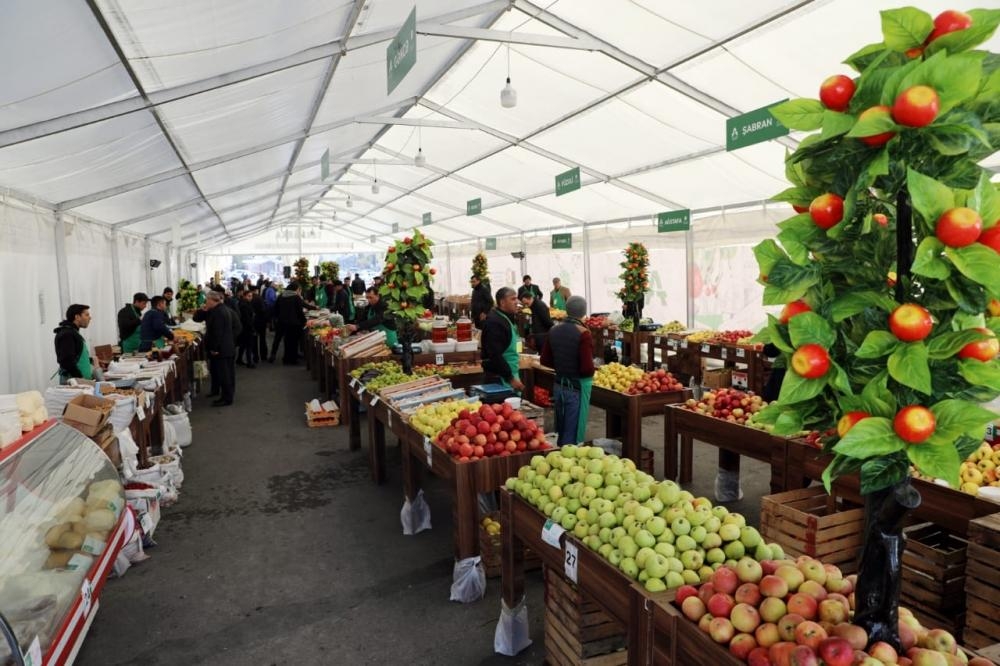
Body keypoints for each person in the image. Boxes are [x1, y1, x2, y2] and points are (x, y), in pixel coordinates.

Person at [541, 296, 595, 444]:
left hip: (558, 385)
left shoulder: (554, 329)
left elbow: (544, 360)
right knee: (573, 434)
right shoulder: (584, 333)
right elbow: (586, 368)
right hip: (576, 388)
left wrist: (561, 366)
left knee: (562, 428)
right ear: (584, 312)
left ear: (566, 309)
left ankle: (558, 458)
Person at [193, 291, 240, 406]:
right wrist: (202, 309)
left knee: (225, 374)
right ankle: (225, 395)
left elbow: (217, 333)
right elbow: (197, 318)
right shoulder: (216, 310)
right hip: (225, 347)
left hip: (222, 348)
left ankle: (227, 398)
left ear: (212, 300)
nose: (205, 302)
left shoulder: (219, 312)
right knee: (223, 373)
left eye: (207, 300)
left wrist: (214, 348)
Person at [481, 287, 524, 393]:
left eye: (517, 299)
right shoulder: (495, 323)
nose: (517, 302)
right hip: (500, 379)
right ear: (502, 302)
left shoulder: (506, 318)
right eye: (513, 299)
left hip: (510, 373)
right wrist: (510, 378)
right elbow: (495, 355)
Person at [54, 304, 95, 383]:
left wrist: (90, 360)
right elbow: (67, 361)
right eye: (86, 315)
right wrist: (80, 379)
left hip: (80, 382)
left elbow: (75, 356)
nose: (90, 318)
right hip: (73, 383)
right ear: (77, 317)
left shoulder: (73, 332)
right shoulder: (67, 334)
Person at [274, 281, 307, 365]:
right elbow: (300, 311)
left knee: (287, 341)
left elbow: (276, 308)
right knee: (294, 342)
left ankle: (286, 358)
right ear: (296, 289)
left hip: (282, 322)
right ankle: (293, 359)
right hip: (294, 323)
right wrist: (304, 321)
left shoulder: (281, 296)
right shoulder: (296, 297)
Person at [237, 288, 257, 368]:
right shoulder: (244, 305)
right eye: (249, 296)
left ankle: (239, 359)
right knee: (249, 345)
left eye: (251, 296)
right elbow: (247, 319)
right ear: (244, 296)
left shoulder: (244, 303)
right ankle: (250, 362)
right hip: (247, 328)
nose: (250, 297)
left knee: (243, 344)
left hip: (244, 328)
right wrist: (252, 328)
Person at [251, 286, 269, 364]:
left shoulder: (250, 298)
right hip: (261, 321)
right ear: (256, 290)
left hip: (253, 322)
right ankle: (263, 356)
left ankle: (255, 357)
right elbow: (263, 310)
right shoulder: (259, 298)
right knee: (262, 339)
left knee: (254, 340)